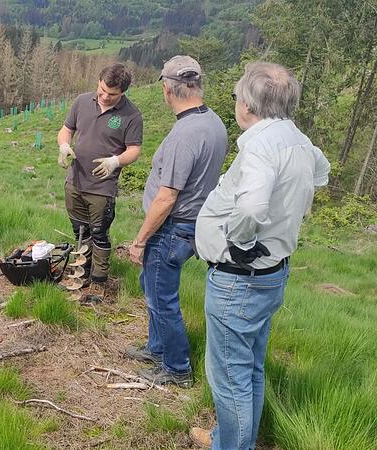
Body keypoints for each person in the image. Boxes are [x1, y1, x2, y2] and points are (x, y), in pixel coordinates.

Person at [189, 62, 330, 449]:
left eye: (237, 96)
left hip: (240, 280)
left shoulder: (260, 146)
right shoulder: (297, 140)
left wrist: (241, 243)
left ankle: (230, 446)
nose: (236, 103)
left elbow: (251, 208)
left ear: (248, 105)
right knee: (248, 368)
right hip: (270, 276)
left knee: (229, 378)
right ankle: (233, 440)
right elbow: (322, 171)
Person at [123, 56, 228, 388]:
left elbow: (167, 196)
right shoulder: (213, 122)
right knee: (151, 286)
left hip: (172, 228)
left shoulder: (187, 134)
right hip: (189, 225)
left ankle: (176, 367)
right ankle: (157, 348)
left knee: (161, 298)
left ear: (167, 88)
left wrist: (140, 240)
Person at [57, 63, 144, 303]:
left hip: (102, 187)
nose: (105, 96)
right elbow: (66, 130)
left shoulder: (131, 115)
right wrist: (64, 146)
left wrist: (116, 161)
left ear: (123, 92)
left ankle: (98, 282)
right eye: (102, 89)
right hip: (75, 180)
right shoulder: (82, 101)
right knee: (79, 230)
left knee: (99, 233)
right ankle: (81, 274)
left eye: (112, 94)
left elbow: (134, 149)